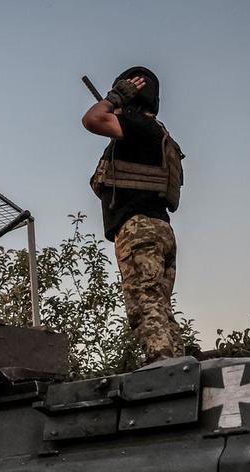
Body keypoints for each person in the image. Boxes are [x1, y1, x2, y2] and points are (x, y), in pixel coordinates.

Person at [82, 66, 185, 364]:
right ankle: (176, 362)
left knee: (145, 304)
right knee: (159, 306)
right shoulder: (156, 134)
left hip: (139, 229)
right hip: (159, 230)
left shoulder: (139, 127)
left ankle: (163, 368)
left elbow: (92, 119)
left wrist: (114, 98)